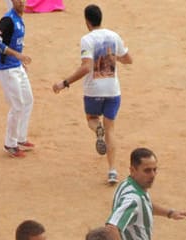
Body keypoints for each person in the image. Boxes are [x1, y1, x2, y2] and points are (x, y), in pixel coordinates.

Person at [50, 4, 131, 184]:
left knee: (92, 119)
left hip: (94, 90)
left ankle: (97, 129)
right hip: (112, 90)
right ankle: (112, 171)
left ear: (87, 21)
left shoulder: (87, 39)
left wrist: (64, 83)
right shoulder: (113, 36)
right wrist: (114, 56)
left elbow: (86, 67)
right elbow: (128, 59)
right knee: (111, 129)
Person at [0, 0, 35, 156]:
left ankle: (21, 137)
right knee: (17, 105)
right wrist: (17, 55)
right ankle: (10, 144)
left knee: (28, 100)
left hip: (16, 67)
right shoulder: (8, 20)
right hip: (5, 69)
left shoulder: (19, 19)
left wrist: (19, 61)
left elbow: (16, 43)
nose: (21, 3)